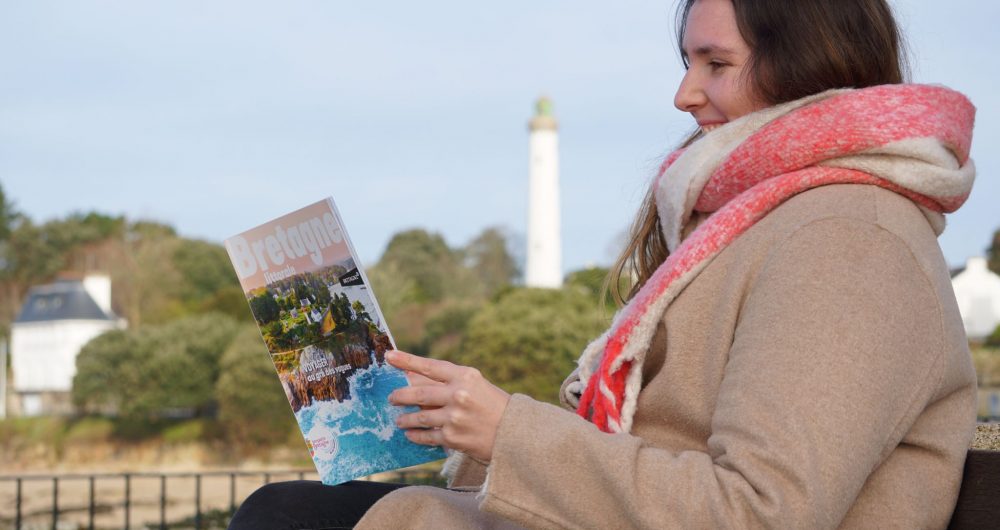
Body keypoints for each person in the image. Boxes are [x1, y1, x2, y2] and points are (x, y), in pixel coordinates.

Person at [229, 0, 977, 528]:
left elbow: (761, 511)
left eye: (716, 63)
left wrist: (508, 432)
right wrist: (459, 421)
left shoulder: (851, 238)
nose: (685, 94)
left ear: (810, 63)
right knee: (288, 511)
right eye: (689, 61)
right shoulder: (777, 220)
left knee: (288, 517)